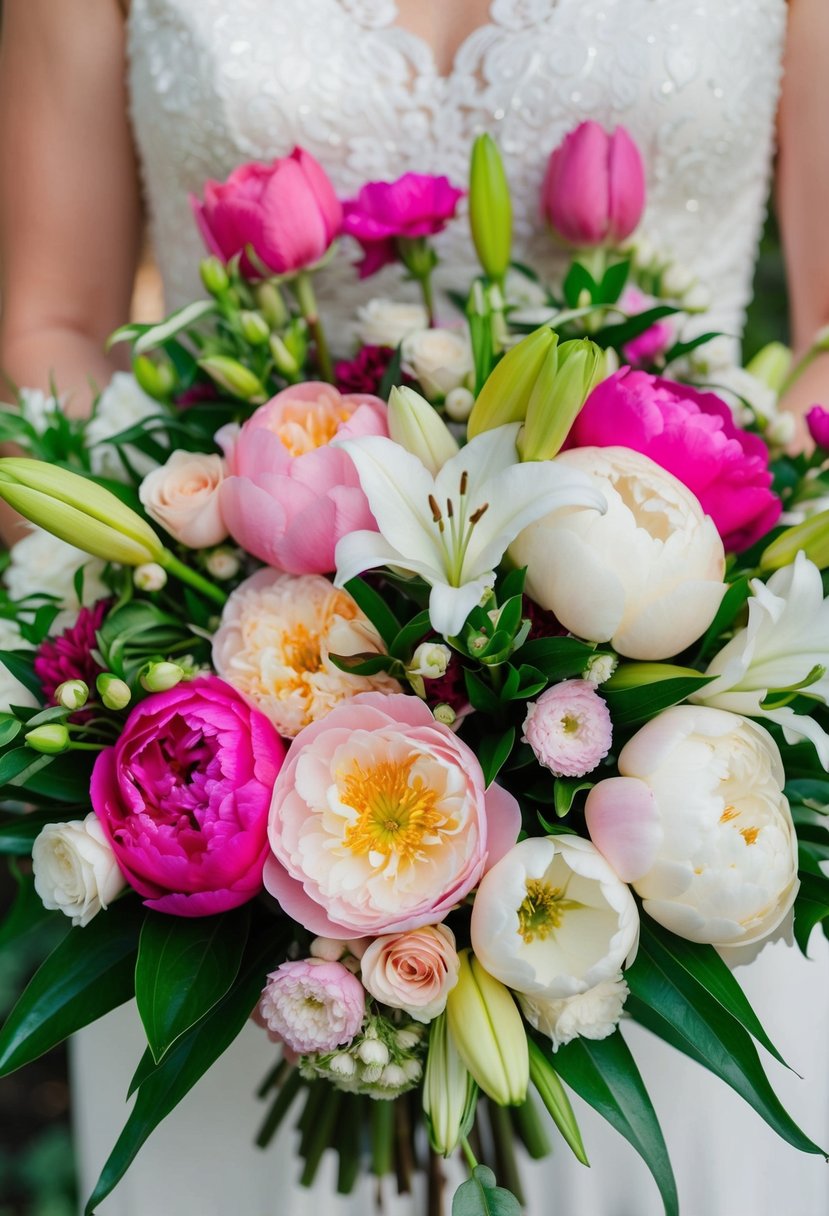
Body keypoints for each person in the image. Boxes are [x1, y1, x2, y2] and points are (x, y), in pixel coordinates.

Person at [1, 1, 828, 1213]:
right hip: (242, 836)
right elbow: (51, 325)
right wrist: (210, 669)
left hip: (686, 777)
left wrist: (705, 607)